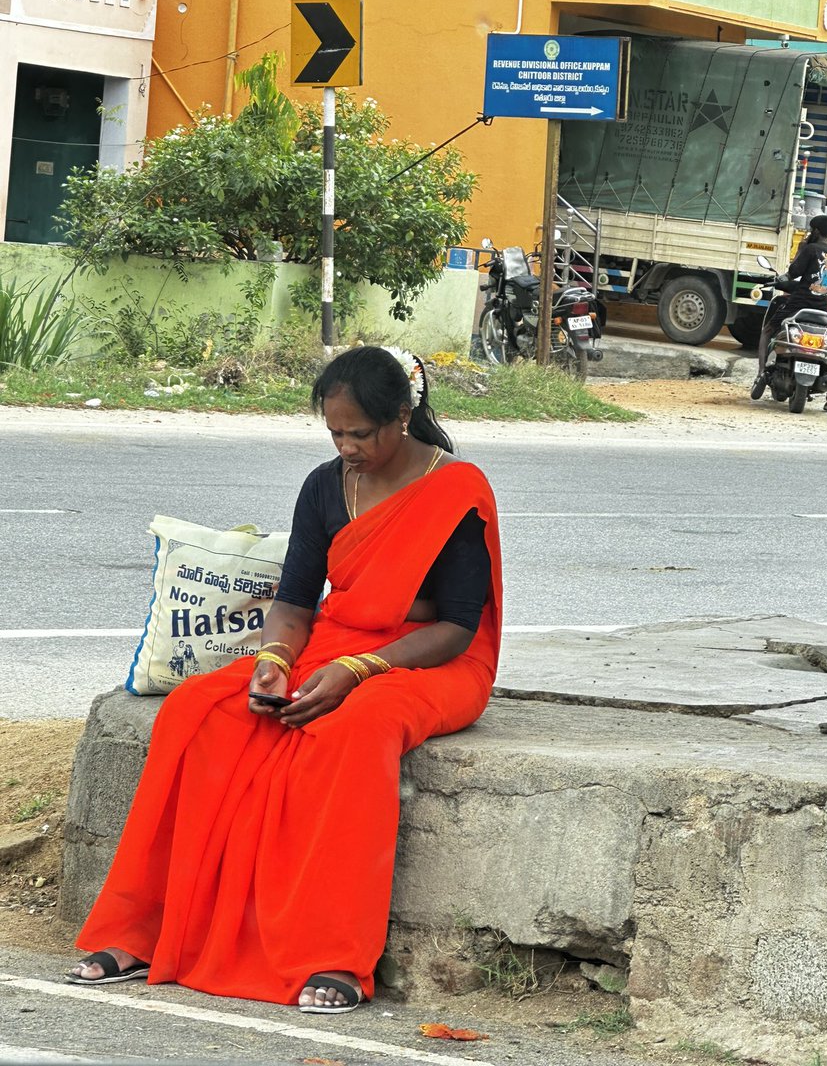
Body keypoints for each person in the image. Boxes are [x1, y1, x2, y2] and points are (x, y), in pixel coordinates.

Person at [66, 345, 503, 1014]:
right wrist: (273, 660)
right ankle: (141, 932)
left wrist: (358, 670)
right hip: (331, 641)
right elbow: (297, 601)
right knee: (196, 711)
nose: (347, 446)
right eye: (335, 432)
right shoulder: (326, 484)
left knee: (353, 728)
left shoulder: (455, 489)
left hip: (429, 659)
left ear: (403, 419)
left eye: (361, 433)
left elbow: (458, 627)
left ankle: (333, 959)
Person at [754, 213, 827, 413]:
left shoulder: (810, 249)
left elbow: (793, 273)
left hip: (797, 305)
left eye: (811, 229)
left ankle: (761, 373)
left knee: (767, 330)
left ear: (816, 231)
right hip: (822, 309)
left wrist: (800, 252)